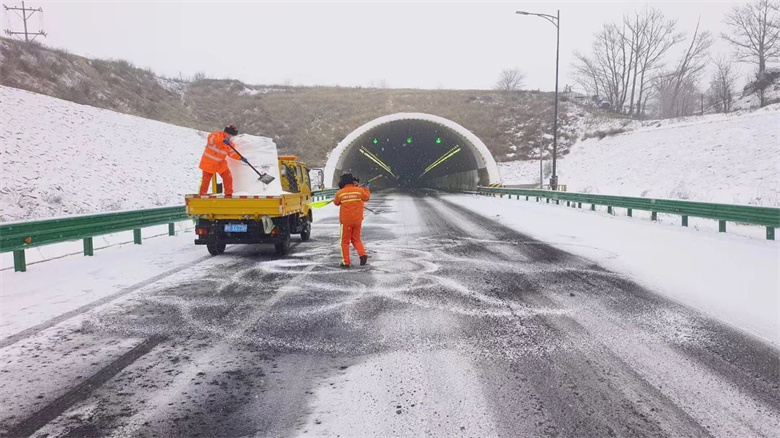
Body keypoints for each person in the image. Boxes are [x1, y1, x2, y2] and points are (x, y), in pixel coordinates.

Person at [333, 173, 371, 268]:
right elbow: (366, 198)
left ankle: (346, 262)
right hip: (357, 220)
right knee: (356, 239)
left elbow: (336, 203)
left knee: (345, 242)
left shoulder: (340, 192)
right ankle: (362, 255)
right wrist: (366, 188)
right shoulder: (359, 191)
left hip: (346, 221)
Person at [198, 124, 248, 196]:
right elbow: (211, 140)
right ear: (225, 132)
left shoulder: (230, 144)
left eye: (231, 135)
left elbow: (232, 153)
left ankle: (228, 194)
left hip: (220, 163)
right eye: (229, 134)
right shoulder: (216, 135)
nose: (230, 136)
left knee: (228, 177)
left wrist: (240, 158)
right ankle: (202, 195)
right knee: (206, 180)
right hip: (208, 162)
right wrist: (222, 140)